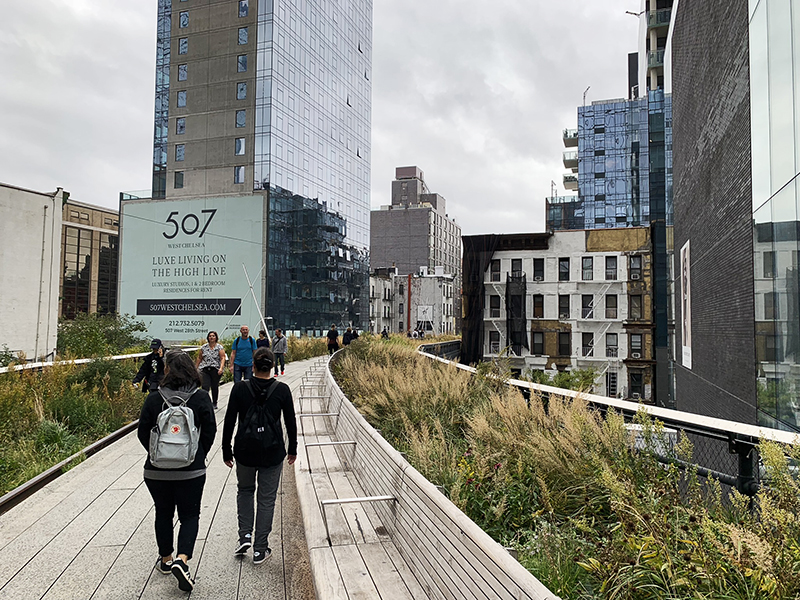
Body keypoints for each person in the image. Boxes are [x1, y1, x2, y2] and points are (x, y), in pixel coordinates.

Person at [137, 350, 216, 592]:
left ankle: (165, 559)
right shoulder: (201, 397)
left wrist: (157, 455)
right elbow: (211, 431)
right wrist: (196, 454)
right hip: (191, 471)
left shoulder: (153, 398)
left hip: (156, 471)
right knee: (190, 515)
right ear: (192, 370)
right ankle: (182, 559)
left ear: (168, 371)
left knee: (163, 512)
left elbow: (142, 433)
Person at [222, 348, 297, 565]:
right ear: (272, 366)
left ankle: (244, 536)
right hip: (272, 452)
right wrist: (292, 448)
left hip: (244, 451)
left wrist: (226, 449)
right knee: (266, 499)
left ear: (253, 366)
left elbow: (229, 421)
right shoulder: (282, 390)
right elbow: (291, 422)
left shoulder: (239, 388)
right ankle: (260, 549)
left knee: (244, 491)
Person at [195, 331, 226, 410]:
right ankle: (205, 402)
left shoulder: (219, 347)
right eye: (210, 336)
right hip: (205, 368)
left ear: (216, 337)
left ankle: (214, 402)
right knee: (205, 386)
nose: (211, 337)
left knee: (214, 386)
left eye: (213, 336)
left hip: (215, 369)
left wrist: (221, 368)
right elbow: (199, 358)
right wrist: (196, 368)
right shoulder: (204, 347)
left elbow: (222, 358)